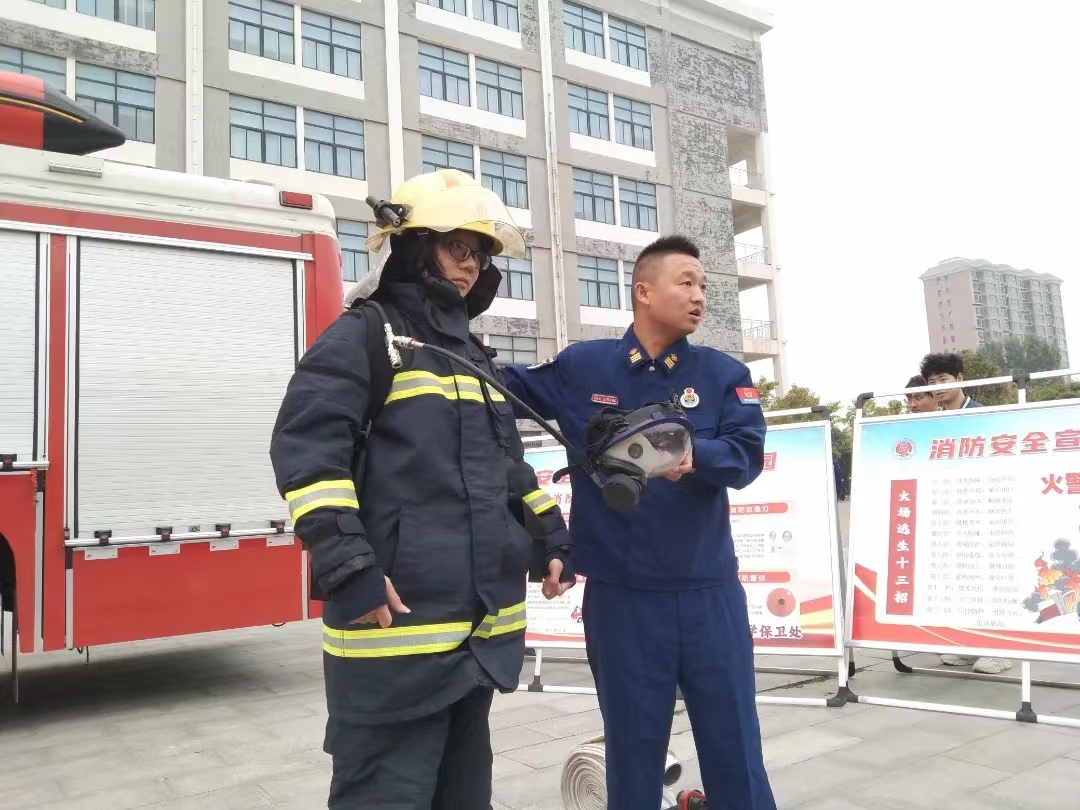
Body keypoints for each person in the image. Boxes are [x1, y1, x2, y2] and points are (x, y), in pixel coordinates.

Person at [269, 169, 575, 809]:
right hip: (393, 643)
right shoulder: (364, 336)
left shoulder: (471, 357)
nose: (470, 264)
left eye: (480, 253)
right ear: (412, 246)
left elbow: (507, 468)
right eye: (456, 246)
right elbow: (308, 455)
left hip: (475, 645)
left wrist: (550, 535)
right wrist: (348, 564)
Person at [499, 234, 776, 810]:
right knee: (631, 748)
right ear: (643, 291)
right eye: (686, 282)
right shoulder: (583, 367)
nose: (700, 296)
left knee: (734, 743)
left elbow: (747, 456)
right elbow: (499, 386)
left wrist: (690, 455)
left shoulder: (723, 374)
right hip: (621, 598)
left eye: (704, 286)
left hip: (707, 593)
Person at [918, 353, 1010, 675]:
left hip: (986, 506)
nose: (938, 387)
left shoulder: (982, 415)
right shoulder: (935, 421)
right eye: (932, 382)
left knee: (991, 582)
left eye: (943, 380)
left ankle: (1000, 650)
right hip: (951, 508)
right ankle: (969, 647)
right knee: (962, 583)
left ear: (960, 378)